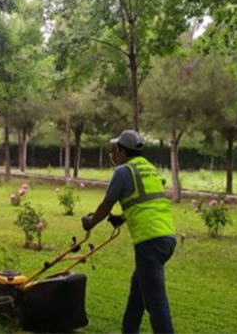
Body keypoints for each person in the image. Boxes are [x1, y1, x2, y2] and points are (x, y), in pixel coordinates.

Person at [81, 130, 176, 334]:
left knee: (156, 302)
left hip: (149, 241)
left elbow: (106, 204)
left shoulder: (124, 171)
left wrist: (90, 222)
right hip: (166, 238)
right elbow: (145, 201)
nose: (114, 154)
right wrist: (122, 218)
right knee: (138, 290)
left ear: (122, 150)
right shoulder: (149, 169)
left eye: (116, 150)